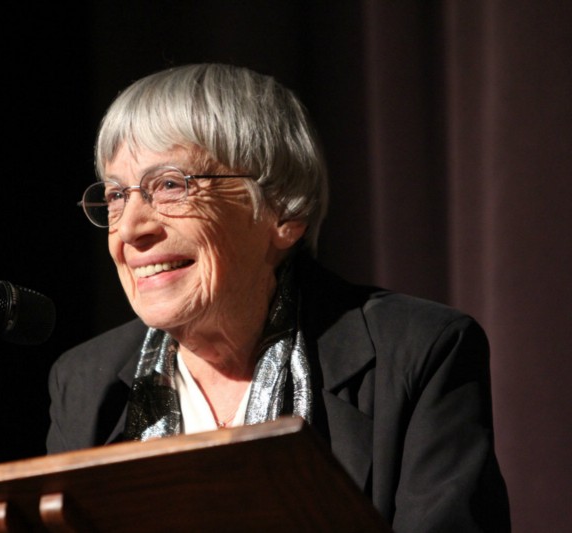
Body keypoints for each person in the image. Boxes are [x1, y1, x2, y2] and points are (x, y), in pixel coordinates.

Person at [46, 63, 510, 531]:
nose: (130, 229)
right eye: (116, 196)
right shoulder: (86, 381)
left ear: (284, 209)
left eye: (170, 185)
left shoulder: (416, 353)